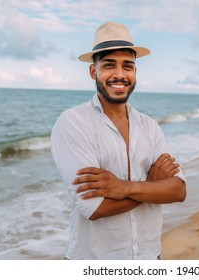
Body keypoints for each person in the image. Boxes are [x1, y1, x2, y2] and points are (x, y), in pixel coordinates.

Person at [50, 22, 187, 260]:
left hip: (149, 257)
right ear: (94, 72)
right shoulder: (73, 122)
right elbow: (94, 208)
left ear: (135, 72)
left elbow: (178, 191)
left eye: (128, 66)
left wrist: (124, 187)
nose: (119, 75)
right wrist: (152, 185)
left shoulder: (149, 126)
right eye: (109, 65)